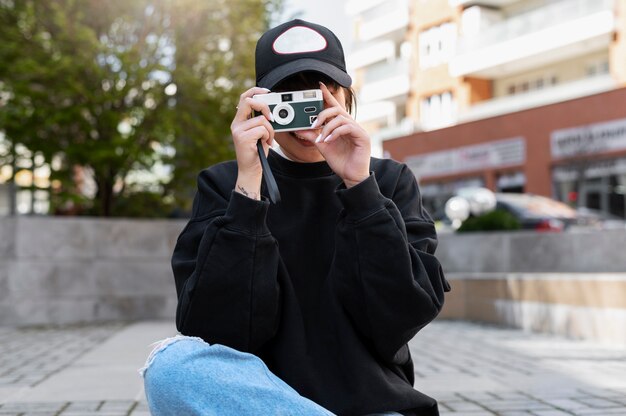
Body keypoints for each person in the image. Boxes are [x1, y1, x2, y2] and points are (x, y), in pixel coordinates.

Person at [142, 19, 451, 416]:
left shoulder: (389, 181)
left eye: (323, 94)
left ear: (345, 96)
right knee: (171, 366)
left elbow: (401, 316)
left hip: (372, 403)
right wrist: (249, 189)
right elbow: (217, 330)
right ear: (258, 104)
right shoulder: (225, 184)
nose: (308, 115)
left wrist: (361, 188)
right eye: (289, 97)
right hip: (261, 404)